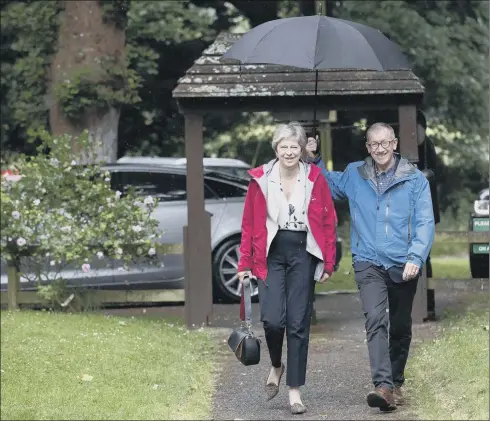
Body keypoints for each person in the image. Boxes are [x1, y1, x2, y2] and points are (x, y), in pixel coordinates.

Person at [314, 122, 435, 411]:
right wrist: (314, 157)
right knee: (375, 319)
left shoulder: (415, 180)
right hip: (368, 261)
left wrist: (416, 257)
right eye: (374, 144)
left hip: (403, 263)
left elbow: (425, 223)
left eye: (385, 143)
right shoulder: (356, 174)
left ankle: (396, 380)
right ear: (368, 148)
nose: (380, 149)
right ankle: (383, 386)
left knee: (401, 326)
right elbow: (325, 184)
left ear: (394, 144)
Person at [237, 121, 337, 415]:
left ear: (303, 148)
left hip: (303, 253)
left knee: (297, 323)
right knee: (272, 320)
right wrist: (244, 263)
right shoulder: (260, 179)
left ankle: (294, 390)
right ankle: (277, 365)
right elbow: (247, 225)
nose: (290, 152)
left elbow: (329, 221)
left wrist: (328, 261)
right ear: (276, 148)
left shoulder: (315, 178)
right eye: (284, 146)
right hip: (269, 254)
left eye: (295, 146)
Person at [416, 110, 441, 320]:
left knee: (425, 257)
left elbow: (433, 171)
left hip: (426, 210)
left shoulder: (428, 147)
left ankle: (429, 304)